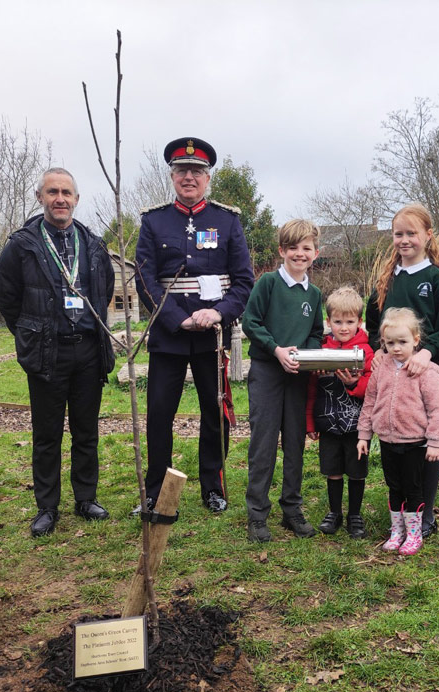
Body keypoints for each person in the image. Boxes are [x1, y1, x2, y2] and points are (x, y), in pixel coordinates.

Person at [134, 137, 254, 513]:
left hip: (212, 336)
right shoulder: (154, 221)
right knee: (159, 415)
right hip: (169, 334)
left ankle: (213, 487)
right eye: (182, 171)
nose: (189, 177)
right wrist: (177, 318)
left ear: (207, 178)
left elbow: (244, 281)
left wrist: (218, 313)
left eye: (197, 171)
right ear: (172, 176)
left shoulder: (227, 220)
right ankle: (155, 492)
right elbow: (144, 278)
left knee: (214, 414)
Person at [0, 167, 116, 538]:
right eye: (52, 192)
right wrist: (33, 334)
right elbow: (8, 299)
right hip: (48, 355)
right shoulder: (22, 245)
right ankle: (47, 507)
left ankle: (86, 498)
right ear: (40, 197)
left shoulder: (93, 245)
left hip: (88, 352)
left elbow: (106, 291)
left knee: (86, 431)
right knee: (47, 434)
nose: (60, 198)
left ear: (76, 199)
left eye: (66, 192)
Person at [365, 204, 439, 539]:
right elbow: (374, 323)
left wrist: (426, 352)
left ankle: (426, 513)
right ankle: (403, 510)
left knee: (425, 447)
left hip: (427, 370)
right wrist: (379, 351)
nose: (405, 240)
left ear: (427, 236)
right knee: (398, 448)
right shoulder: (387, 278)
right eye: (399, 234)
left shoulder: (436, 278)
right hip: (393, 371)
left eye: (411, 233)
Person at [241, 219, 324, 542]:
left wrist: (308, 357)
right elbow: (251, 322)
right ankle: (257, 515)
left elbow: (316, 334)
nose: (299, 254)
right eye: (293, 248)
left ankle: (292, 509)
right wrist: (276, 350)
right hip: (267, 373)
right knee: (263, 445)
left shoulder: (314, 295)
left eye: (306, 248)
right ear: (282, 251)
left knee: (294, 444)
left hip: (297, 378)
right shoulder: (268, 284)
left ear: (315, 253)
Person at [357, 308, 439, 556]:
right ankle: (396, 531)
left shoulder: (425, 372)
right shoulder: (381, 369)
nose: (396, 348)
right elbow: (370, 401)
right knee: (394, 486)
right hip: (387, 440)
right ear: (383, 342)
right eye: (390, 343)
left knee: (413, 488)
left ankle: (414, 533)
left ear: (416, 340)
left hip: (414, 443)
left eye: (403, 342)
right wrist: (364, 435)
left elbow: (438, 409)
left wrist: (435, 442)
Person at [305, 286, 375, 538]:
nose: (343, 327)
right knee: (332, 470)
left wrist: (352, 384)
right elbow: (312, 389)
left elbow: (372, 386)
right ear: (328, 322)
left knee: (356, 471)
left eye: (349, 321)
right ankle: (334, 512)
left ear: (359, 322)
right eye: (337, 322)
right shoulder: (322, 351)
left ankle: (355, 515)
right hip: (328, 422)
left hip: (358, 425)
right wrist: (310, 422)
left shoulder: (366, 352)